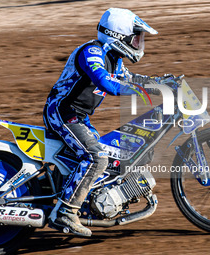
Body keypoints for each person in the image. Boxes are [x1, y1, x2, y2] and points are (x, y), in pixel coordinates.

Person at [43, 8, 159, 237]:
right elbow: (105, 82)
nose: (138, 43)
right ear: (118, 35)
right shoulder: (92, 52)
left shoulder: (114, 60)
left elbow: (134, 79)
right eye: (135, 37)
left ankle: (87, 201)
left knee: (111, 159)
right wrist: (137, 90)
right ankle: (65, 212)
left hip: (79, 117)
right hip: (62, 113)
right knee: (96, 156)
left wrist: (163, 82)